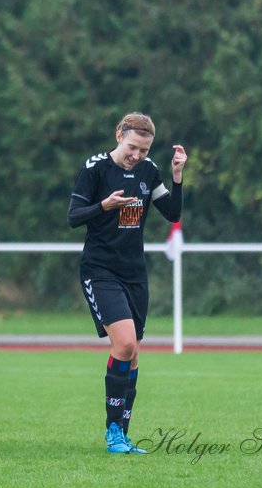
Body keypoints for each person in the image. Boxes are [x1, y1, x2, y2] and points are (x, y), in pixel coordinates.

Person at [68, 112, 186, 454]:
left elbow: (173, 213)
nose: (137, 155)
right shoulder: (95, 169)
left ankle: (123, 434)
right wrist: (104, 205)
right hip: (100, 270)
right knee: (124, 345)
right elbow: (73, 217)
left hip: (134, 273)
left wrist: (177, 176)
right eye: (133, 146)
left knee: (132, 355)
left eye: (145, 150)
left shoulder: (149, 172)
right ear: (119, 135)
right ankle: (113, 433)